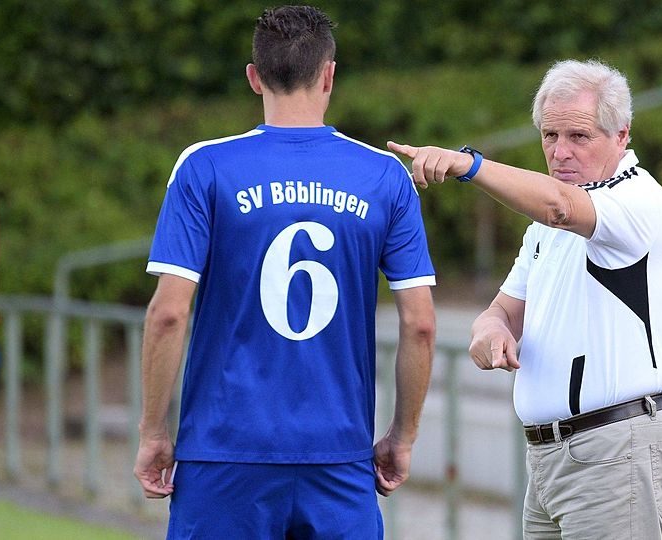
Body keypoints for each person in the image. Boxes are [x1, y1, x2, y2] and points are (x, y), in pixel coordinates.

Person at [133, 6, 436, 539]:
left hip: (223, 456)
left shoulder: (205, 167)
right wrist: (401, 436)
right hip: (338, 458)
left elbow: (168, 314)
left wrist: (154, 431)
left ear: (254, 77)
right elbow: (420, 325)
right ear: (329, 75)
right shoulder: (385, 176)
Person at [388, 59, 662, 539]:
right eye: (550, 135)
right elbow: (503, 309)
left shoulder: (637, 201)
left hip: (614, 450)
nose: (559, 151)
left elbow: (559, 207)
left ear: (622, 136)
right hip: (550, 457)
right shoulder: (550, 223)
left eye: (578, 137)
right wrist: (489, 332)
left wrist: (470, 164)